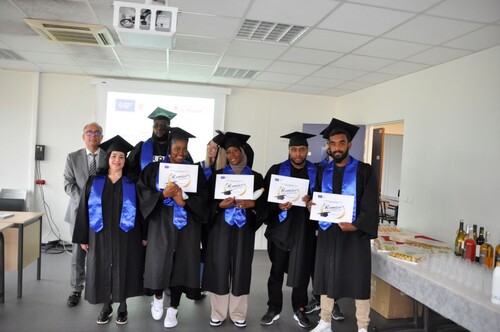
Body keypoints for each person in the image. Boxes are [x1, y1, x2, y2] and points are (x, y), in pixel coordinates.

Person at [309, 118, 378, 332]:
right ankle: (325, 321)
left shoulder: (364, 171)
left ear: (349, 144)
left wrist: (356, 225)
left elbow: (370, 205)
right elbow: (319, 200)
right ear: (328, 146)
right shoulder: (323, 171)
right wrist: (312, 205)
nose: (336, 147)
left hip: (354, 235)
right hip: (329, 233)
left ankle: (363, 327)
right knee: (325, 276)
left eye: (341, 143)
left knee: (358, 280)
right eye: (333, 143)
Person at [137, 127, 209, 329]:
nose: (180, 153)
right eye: (177, 149)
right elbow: (142, 192)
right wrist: (162, 195)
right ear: (169, 148)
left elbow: (204, 200)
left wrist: (183, 201)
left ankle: (173, 309)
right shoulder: (153, 169)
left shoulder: (195, 172)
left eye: (184, 149)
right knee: (160, 261)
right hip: (161, 223)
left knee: (182, 265)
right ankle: (158, 298)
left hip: (187, 226)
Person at [72, 135, 145, 325]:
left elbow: (142, 212)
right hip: (99, 234)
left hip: (126, 234)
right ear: (108, 158)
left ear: (125, 160)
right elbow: (83, 210)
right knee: (101, 268)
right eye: (113, 156)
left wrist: (144, 236)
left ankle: (123, 307)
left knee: (125, 267)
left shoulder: (132, 183)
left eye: (121, 157)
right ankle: (106, 306)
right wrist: (82, 237)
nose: (117, 160)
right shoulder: (94, 182)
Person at [203, 132, 266, 328]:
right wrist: (219, 206)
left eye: (235, 151)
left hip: (243, 229)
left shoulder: (256, 177)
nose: (231, 155)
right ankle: (218, 312)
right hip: (221, 228)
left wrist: (252, 205)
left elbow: (264, 207)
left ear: (243, 152)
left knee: (241, 268)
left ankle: (238, 312)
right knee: (219, 267)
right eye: (228, 152)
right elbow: (207, 204)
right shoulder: (217, 176)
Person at [260, 132, 317, 329]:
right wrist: (278, 207)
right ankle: (273, 308)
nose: (298, 153)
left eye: (301, 149)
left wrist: (312, 202)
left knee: (300, 273)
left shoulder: (316, 171)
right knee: (276, 272)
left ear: (307, 151)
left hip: (305, 231)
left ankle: (299, 309)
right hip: (280, 231)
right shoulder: (276, 171)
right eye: (294, 149)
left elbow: (323, 199)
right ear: (289, 150)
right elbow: (264, 201)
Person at [63, 122, 105, 307]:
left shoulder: (108, 155)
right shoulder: (72, 157)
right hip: (78, 212)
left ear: (101, 137)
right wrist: (85, 200)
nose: (93, 135)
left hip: (103, 212)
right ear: (83, 136)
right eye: (89, 132)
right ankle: (76, 288)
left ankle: (100, 285)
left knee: (101, 251)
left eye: (97, 132)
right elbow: (68, 183)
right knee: (78, 253)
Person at [127, 107, 177, 180]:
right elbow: (129, 168)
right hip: (145, 189)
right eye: (156, 125)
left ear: (169, 128)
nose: (159, 128)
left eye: (163, 125)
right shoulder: (141, 147)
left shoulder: (176, 148)